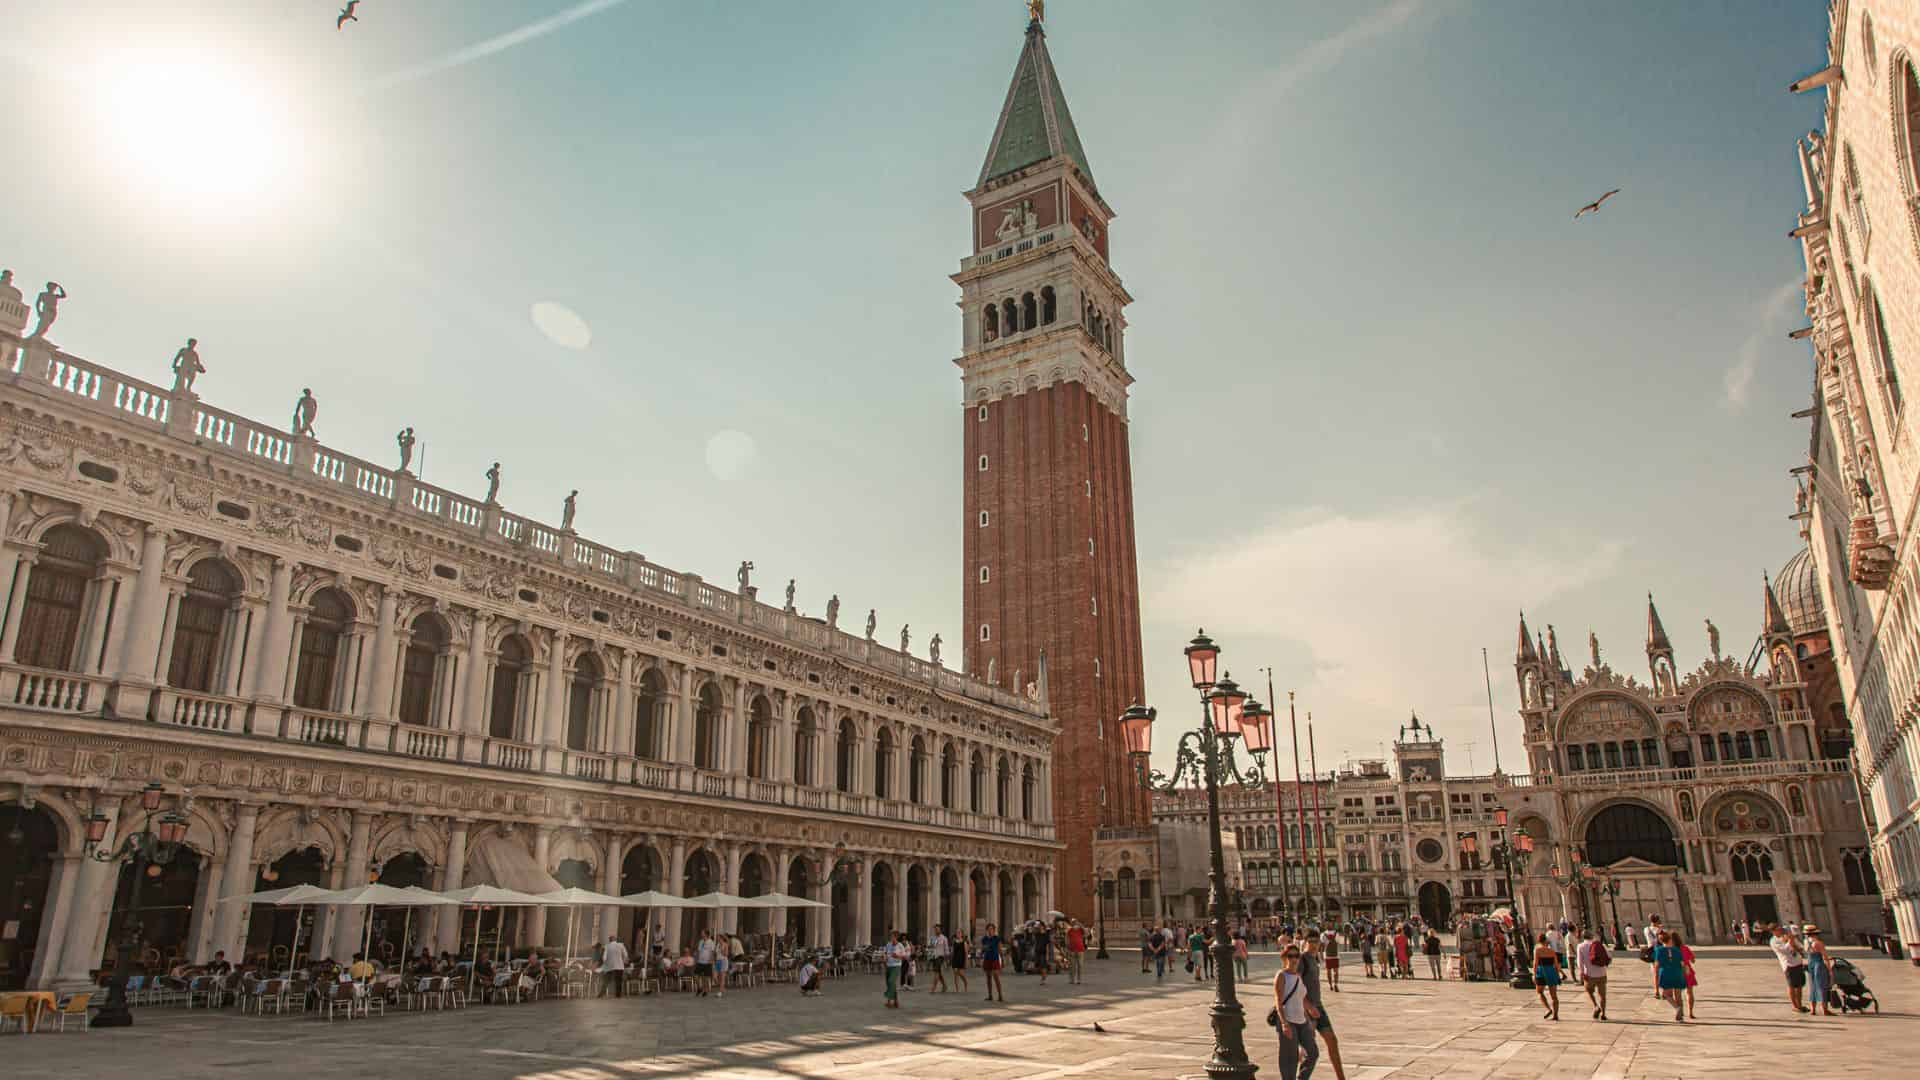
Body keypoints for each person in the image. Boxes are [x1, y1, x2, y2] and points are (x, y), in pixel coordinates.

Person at [1299, 934, 1346, 1080]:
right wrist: (1307, 1006)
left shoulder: (1315, 958)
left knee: (1332, 1040)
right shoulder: (1302, 959)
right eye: (1311, 941)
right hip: (1307, 1010)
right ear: (1305, 942)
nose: (1314, 944)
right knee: (1309, 1050)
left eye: (1316, 941)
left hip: (1319, 1007)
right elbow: (1296, 986)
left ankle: (1341, 1077)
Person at [1273, 944, 1320, 1080]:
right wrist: (1284, 1023)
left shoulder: (1298, 975)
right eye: (1290, 956)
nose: (1294, 959)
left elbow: (1301, 997)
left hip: (1302, 1020)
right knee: (1290, 1058)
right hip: (1288, 1020)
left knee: (1313, 1053)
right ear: (1284, 958)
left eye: (1296, 956)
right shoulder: (1281, 975)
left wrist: (1310, 1009)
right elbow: (1278, 1001)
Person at [1769, 924, 1808, 1013]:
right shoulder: (1773, 941)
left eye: (1781, 929)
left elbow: (1800, 947)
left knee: (1799, 986)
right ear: (1773, 931)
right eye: (1778, 929)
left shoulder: (1786, 936)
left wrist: (1793, 941)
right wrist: (1790, 941)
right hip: (1788, 965)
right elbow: (1784, 950)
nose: (1781, 930)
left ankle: (1800, 1005)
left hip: (1797, 962)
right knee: (1792, 986)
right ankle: (1795, 1006)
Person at [1575, 929, 1610, 1021]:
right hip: (1601, 973)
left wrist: (1582, 973)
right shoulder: (1599, 944)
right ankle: (1603, 1013)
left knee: (1589, 991)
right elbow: (1609, 957)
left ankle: (1595, 1005)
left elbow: (1579, 962)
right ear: (1592, 936)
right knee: (1602, 995)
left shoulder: (1580, 946)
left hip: (1589, 974)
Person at [1652, 930, 1687, 1022]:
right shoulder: (1677, 950)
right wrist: (1684, 975)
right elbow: (1683, 964)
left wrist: (1656, 986)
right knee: (1678, 995)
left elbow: (1656, 966)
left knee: (1667, 995)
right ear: (1670, 940)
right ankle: (1681, 1016)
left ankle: (1677, 1008)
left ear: (1661, 941)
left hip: (1666, 973)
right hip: (1677, 973)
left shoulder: (1659, 950)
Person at [1532, 932, 1563, 1021]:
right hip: (1551, 972)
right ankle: (1555, 1015)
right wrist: (1559, 974)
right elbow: (1556, 965)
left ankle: (1548, 1009)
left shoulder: (1537, 950)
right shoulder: (1552, 951)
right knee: (1554, 995)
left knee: (1540, 992)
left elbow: (1535, 963)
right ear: (1546, 941)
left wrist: (1534, 974)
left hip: (1541, 971)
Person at [1804, 926, 1834, 1017]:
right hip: (1819, 964)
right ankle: (1825, 1009)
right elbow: (1824, 957)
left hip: (1811, 964)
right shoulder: (1818, 943)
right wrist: (1830, 970)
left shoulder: (1806, 942)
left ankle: (1813, 1009)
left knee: (1812, 986)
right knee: (1822, 986)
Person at [1675, 929, 1698, 1020]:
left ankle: (1680, 1012)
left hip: (1676, 973)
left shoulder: (1670, 950)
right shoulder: (1685, 948)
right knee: (1689, 993)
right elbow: (1693, 960)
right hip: (1687, 971)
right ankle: (1691, 1012)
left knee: (1678, 994)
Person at [980, 923, 1005, 1003]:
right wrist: (982, 951)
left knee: (996, 977)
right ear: (987, 930)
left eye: (991, 929)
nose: (990, 931)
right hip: (987, 959)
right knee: (988, 978)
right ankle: (990, 995)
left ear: (994, 930)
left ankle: (1000, 995)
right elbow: (983, 949)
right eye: (989, 929)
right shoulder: (984, 939)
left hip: (995, 959)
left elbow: (1000, 949)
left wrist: (1002, 960)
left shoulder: (997, 938)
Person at [884, 931, 908, 1009]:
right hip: (888, 966)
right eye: (891, 937)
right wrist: (885, 957)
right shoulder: (888, 944)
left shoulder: (900, 945)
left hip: (896, 966)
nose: (892, 938)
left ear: (896, 937)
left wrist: (897, 956)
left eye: (893, 937)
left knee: (891, 981)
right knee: (889, 984)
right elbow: (885, 953)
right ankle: (896, 1001)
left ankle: (889, 1001)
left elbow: (905, 957)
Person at [694, 930, 716, 997]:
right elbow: (698, 951)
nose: (701, 934)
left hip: (707, 962)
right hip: (700, 961)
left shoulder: (711, 942)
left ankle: (705, 991)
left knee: (706, 978)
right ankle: (700, 987)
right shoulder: (700, 941)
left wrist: (711, 960)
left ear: (706, 934)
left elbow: (712, 952)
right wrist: (696, 959)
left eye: (702, 933)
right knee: (696, 976)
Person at [929, 925, 950, 993]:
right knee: (939, 973)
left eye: (937, 929)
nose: (936, 930)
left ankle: (933, 988)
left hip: (940, 957)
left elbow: (946, 949)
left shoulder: (944, 938)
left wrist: (947, 959)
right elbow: (930, 947)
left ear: (940, 930)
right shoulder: (932, 938)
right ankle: (945, 986)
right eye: (935, 929)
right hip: (934, 957)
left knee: (936, 972)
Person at [1067, 921, 1087, 985]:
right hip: (1072, 950)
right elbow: (1067, 939)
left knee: (1080, 965)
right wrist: (1068, 947)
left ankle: (1079, 979)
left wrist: (1081, 925)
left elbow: (1086, 934)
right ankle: (1072, 979)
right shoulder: (1070, 930)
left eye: (1076, 924)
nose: (1075, 925)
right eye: (1074, 924)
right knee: (1072, 966)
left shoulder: (1081, 930)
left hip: (1080, 950)